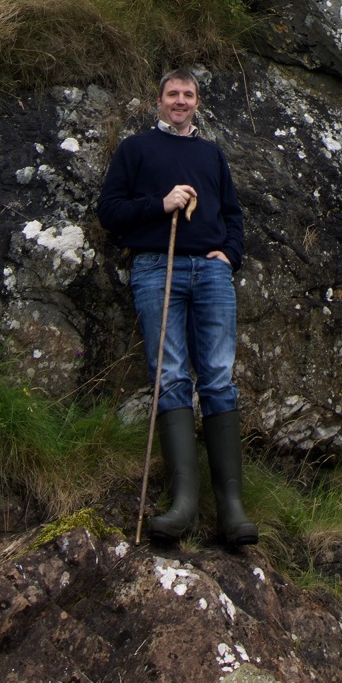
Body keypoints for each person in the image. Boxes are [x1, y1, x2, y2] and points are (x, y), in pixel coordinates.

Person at [97, 67, 257, 547]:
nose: (180, 101)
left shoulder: (211, 155)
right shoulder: (136, 150)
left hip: (210, 272)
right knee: (169, 373)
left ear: (198, 102)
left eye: (188, 95)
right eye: (173, 94)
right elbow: (110, 212)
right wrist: (160, 202)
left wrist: (230, 253)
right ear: (159, 100)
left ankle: (232, 508)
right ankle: (184, 503)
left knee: (217, 374)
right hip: (155, 267)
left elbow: (232, 213)